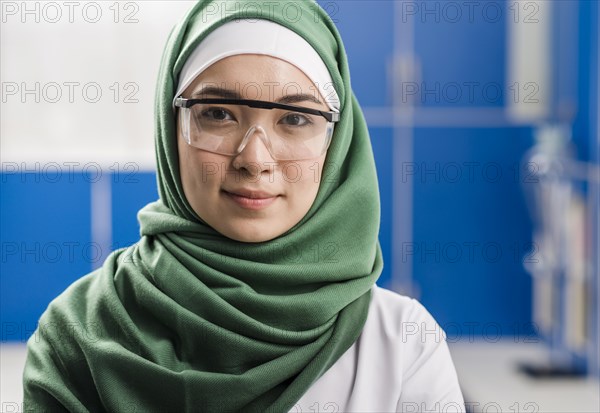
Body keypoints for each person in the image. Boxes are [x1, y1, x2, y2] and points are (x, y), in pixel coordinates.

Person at [22, 1, 465, 412]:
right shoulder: (78, 333)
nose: (254, 160)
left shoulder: (402, 343)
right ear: (168, 125)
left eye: (294, 119)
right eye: (217, 114)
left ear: (339, 141)